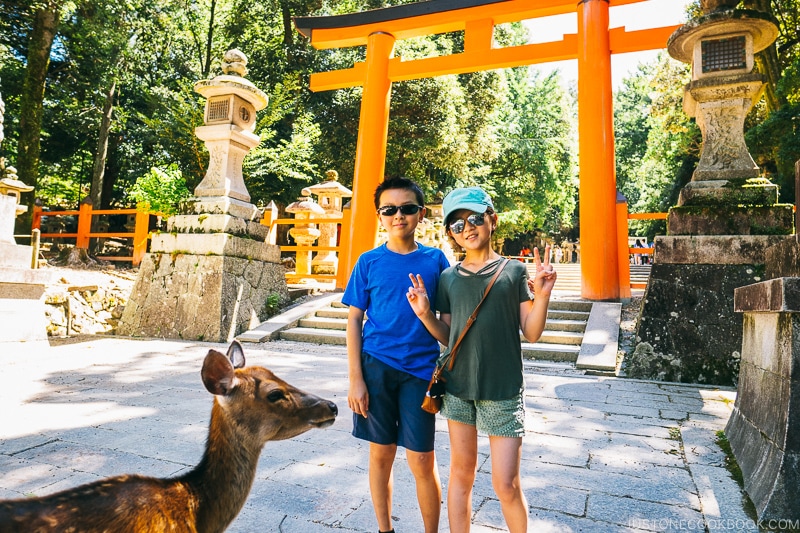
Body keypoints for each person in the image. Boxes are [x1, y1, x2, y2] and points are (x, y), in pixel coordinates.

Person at [406, 186, 557, 533]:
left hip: (502, 389)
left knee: (506, 484)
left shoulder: (514, 272)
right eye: (456, 226)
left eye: (474, 218)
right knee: (461, 474)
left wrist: (544, 295)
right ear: (450, 235)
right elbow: (449, 336)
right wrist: (426, 314)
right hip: (458, 389)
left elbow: (531, 333)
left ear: (493, 219)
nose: (467, 228)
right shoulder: (447, 278)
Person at [342, 176, 450, 533]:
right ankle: (384, 529)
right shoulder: (368, 262)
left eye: (407, 208)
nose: (398, 216)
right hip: (376, 368)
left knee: (422, 459)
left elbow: (448, 329)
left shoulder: (436, 261)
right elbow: (355, 319)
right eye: (389, 210)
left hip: (420, 371)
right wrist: (356, 379)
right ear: (380, 216)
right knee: (381, 453)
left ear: (421, 214)